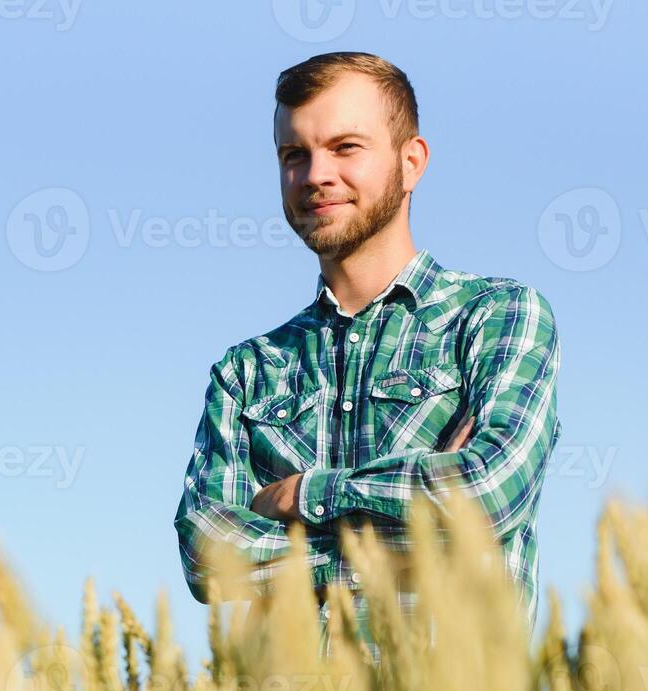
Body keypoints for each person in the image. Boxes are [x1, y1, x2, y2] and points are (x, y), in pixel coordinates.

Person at [173, 51, 562, 658]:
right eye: (293, 155)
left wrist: (307, 498)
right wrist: (408, 535)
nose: (315, 174)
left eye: (345, 147)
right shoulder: (246, 371)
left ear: (411, 163)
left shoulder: (495, 317)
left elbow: (490, 493)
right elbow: (207, 555)